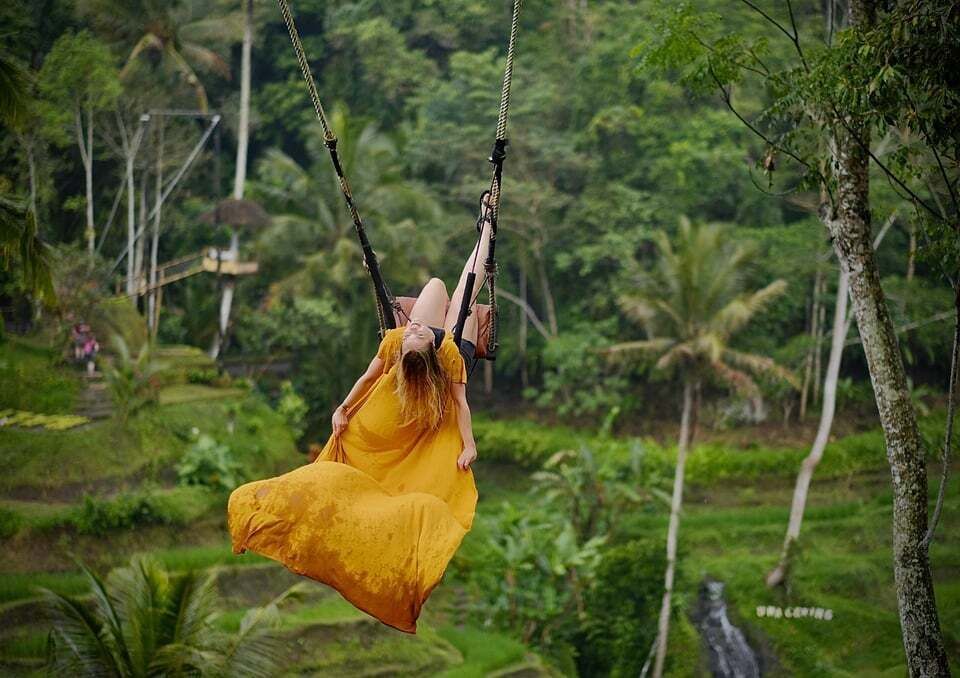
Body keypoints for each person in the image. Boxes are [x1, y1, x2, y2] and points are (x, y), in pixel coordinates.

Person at [228, 195, 494, 634]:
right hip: (446, 355)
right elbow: (396, 386)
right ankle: (485, 230)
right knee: (451, 287)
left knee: (451, 286)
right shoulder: (423, 348)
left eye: (413, 331)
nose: (411, 327)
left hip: (441, 358)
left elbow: (421, 393)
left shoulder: (424, 348)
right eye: (412, 331)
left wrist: (467, 444)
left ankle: (485, 230)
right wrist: (345, 410)